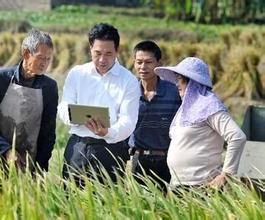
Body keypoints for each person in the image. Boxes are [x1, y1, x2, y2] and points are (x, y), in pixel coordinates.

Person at [58, 23, 140, 184]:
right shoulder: (77, 74)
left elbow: (129, 121)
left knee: (107, 204)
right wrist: (73, 116)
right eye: (97, 53)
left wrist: (108, 132)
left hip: (111, 151)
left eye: (108, 54)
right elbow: (63, 106)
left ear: (117, 51)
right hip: (78, 147)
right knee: (70, 201)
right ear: (90, 49)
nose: (102, 59)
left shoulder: (129, 81)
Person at [0, 29, 58, 174]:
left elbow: (48, 134)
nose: (45, 63)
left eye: (48, 59)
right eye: (41, 58)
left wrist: (39, 170)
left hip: (25, 163)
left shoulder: (49, 87)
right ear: (26, 53)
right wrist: (7, 151)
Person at [154, 57, 246, 189]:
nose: (176, 84)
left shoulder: (210, 106)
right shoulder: (185, 109)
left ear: (192, 82)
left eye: (179, 79)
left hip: (203, 187)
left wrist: (226, 174)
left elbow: (237, 137)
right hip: (177, 184)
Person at [128, 41, 181, 191]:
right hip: (138, 160)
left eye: (148, 62)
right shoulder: (129, 92)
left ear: (159, 63)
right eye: (139, 62)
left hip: (167, 160)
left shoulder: (174, 91)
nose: (143, 67)